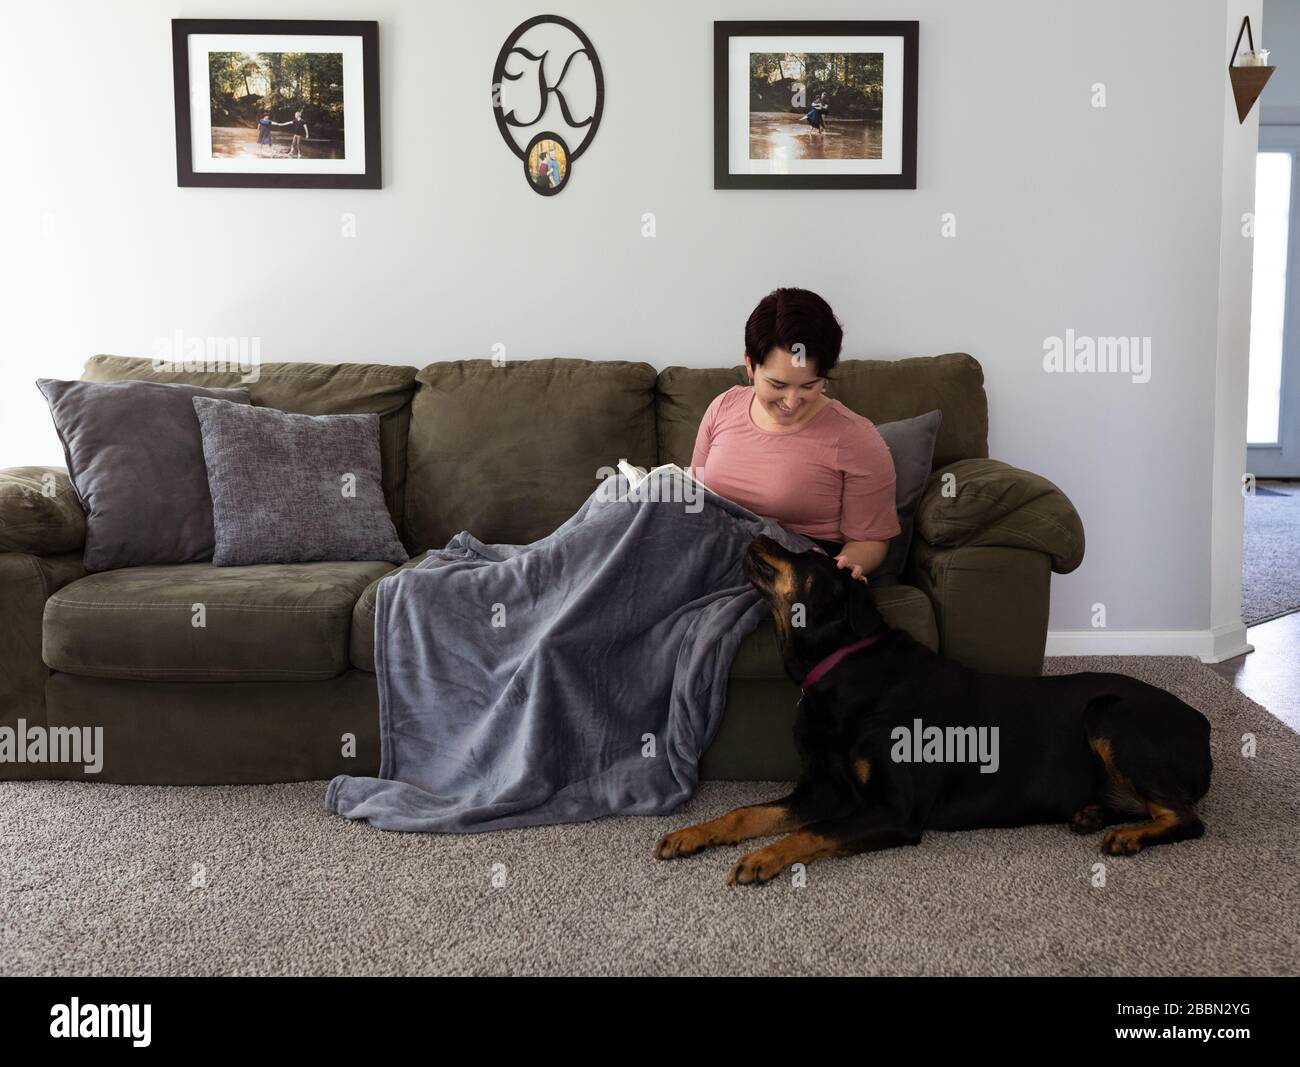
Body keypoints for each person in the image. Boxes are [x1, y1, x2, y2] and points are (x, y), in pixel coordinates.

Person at [690, 287, 900, 582]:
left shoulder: (856, 439)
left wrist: (844, 566)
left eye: (809, 386)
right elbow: (694, 494)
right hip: (711, 547)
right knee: (629, 503)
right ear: (750, 364)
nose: (791, 401)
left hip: (787, 564)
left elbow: (871, 540)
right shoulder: (723, 407)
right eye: (777, 385)